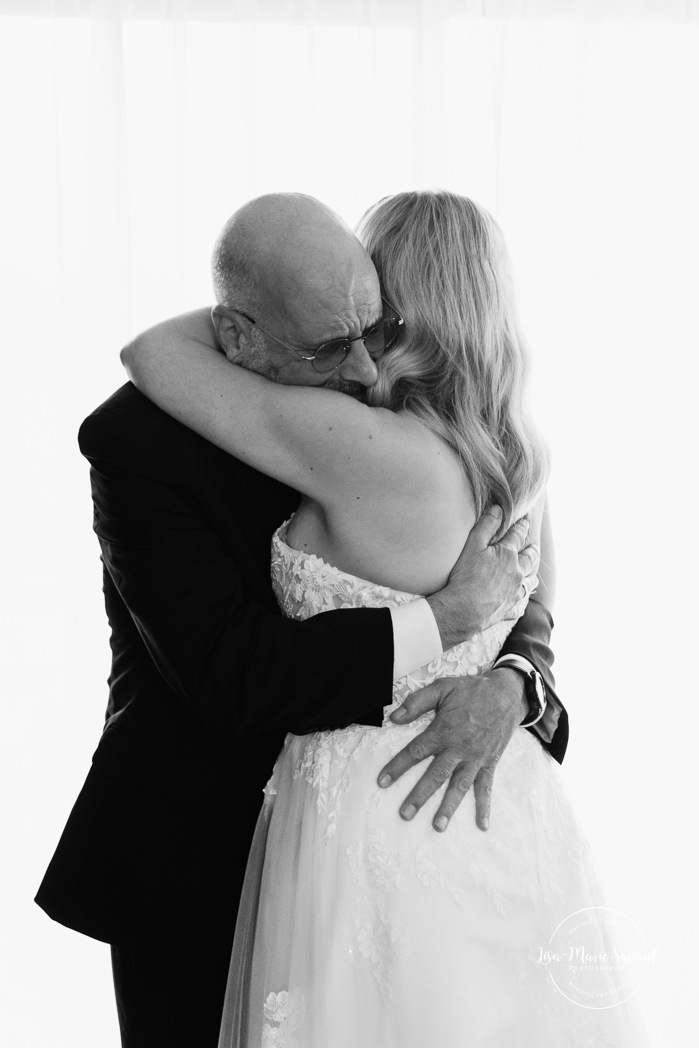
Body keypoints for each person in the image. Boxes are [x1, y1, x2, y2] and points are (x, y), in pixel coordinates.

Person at [34, 192, 566, 1048]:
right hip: (195, 848)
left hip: (388, 842)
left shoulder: (430, 429)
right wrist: (440, 619)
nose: (359, 368)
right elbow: (229, 672)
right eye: (330, 344)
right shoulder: (140, 439)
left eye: (376, 327)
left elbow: (528, 598)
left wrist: (514, 681)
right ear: (239, 336)